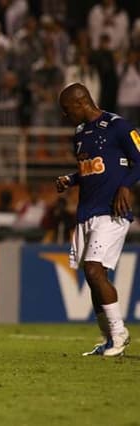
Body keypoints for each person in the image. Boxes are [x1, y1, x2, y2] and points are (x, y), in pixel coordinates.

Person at [56, 82, 140, 356]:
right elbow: (94, 169)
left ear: (81, 102)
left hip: (112, 211)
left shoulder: (119, 126)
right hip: (87, 212)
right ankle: (108, 339)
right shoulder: (79, 133)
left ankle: (119, 334)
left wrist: (127, 185)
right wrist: (71, 178)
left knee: (94, 269)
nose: (66, 116)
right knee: (93, 277)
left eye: (67, 110)